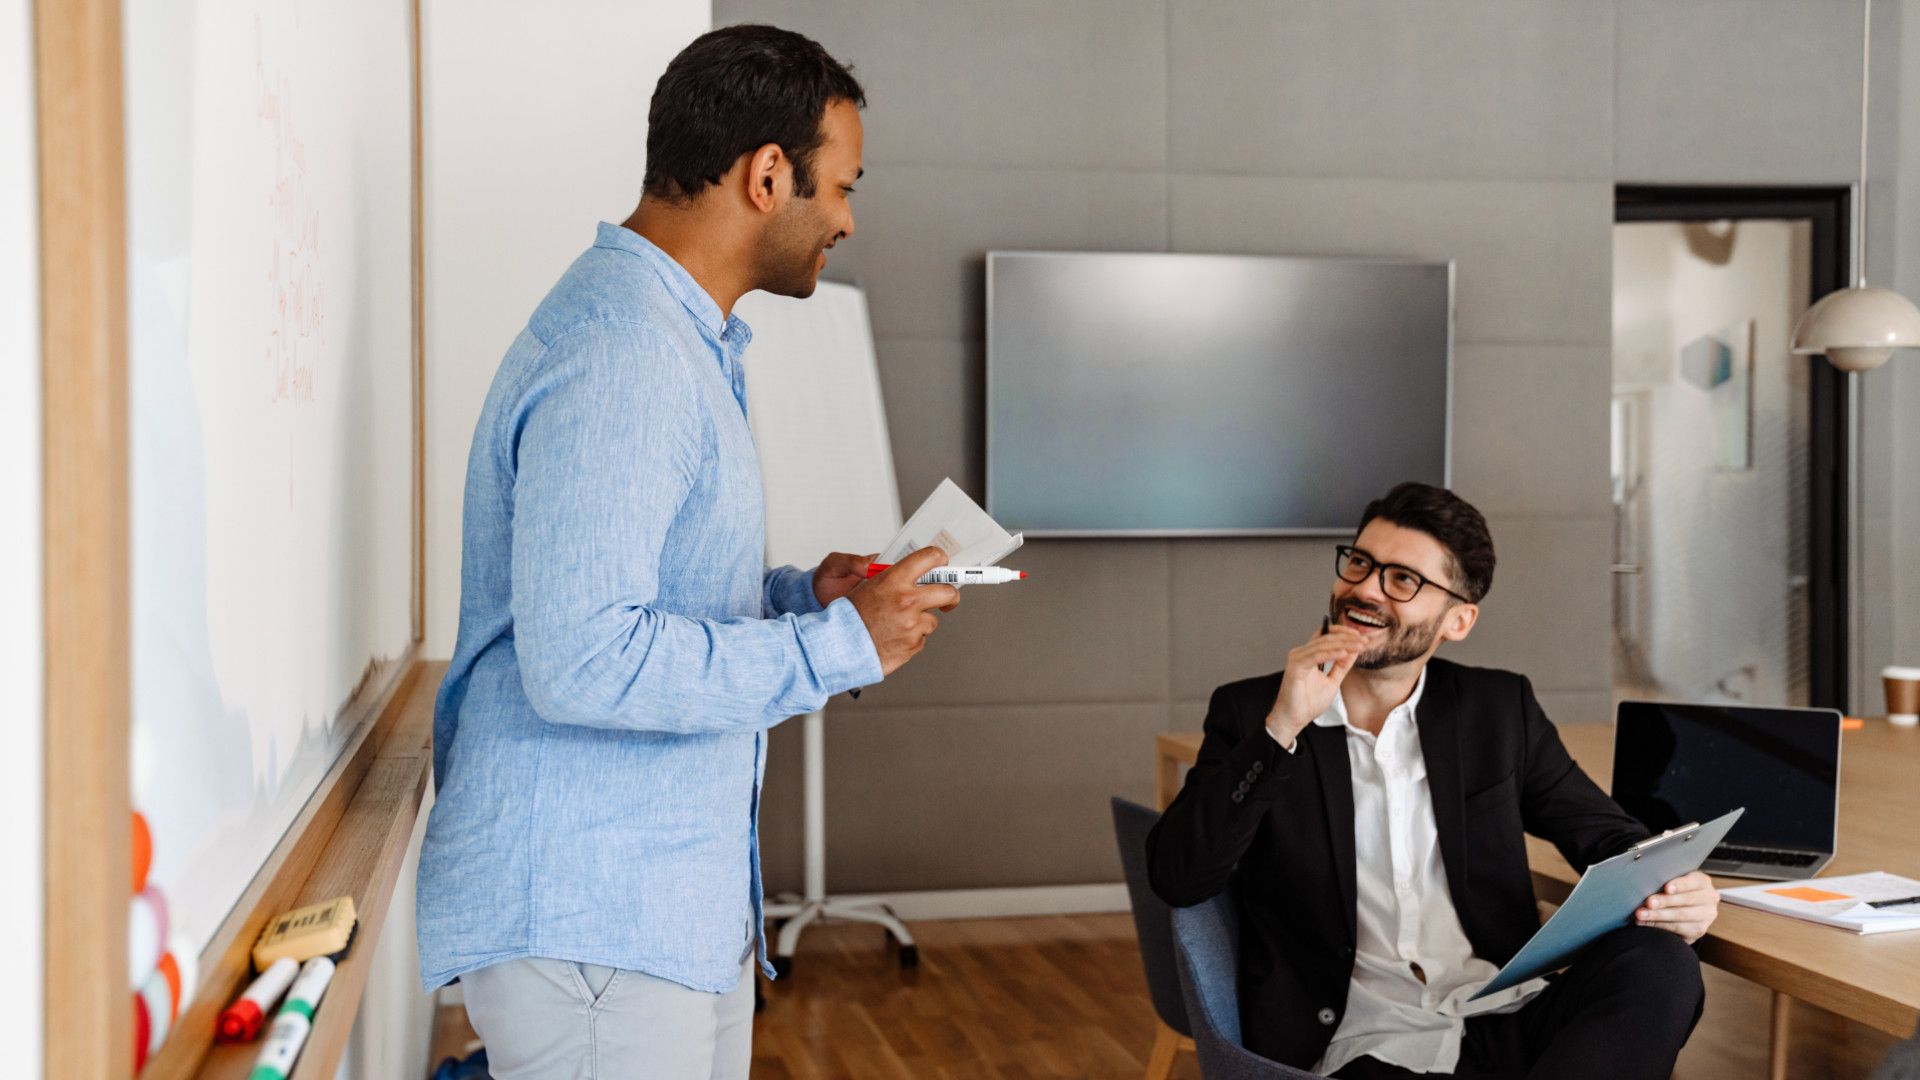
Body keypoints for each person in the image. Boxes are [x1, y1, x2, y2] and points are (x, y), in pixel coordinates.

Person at [415, 25, 956, 1079]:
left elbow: (640, 595)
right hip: (598, 924)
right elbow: (587, 658)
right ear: (766, 176)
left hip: (651, 911)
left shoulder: (671, 341)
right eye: (841, 187)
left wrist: (805, 598)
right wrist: (836, 648)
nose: (845, 219)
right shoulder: (629, 357)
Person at [1147, 482, 1717, 1079]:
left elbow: (1606, 837)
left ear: (1458, 620)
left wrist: (1679, 890)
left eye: (1402, 579)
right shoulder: (1254, 713)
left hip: (1498, 1010)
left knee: (1660, 963)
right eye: (1361, 563)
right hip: (1361, 1042)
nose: (1364, 588)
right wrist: (1282, 728)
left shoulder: (1497, 709)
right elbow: (1178, 876)